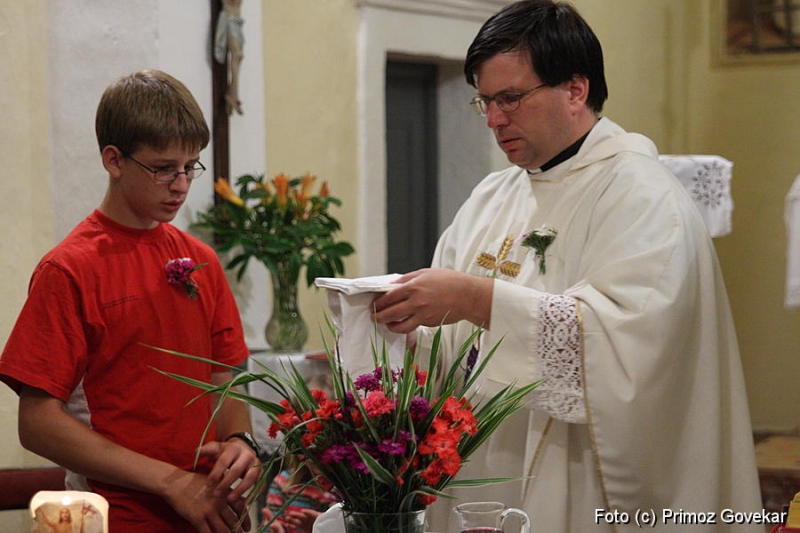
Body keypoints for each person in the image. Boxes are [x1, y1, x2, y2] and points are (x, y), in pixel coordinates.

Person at [372, 1, 764, 532]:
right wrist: (401, 328)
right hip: (481, 470)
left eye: (510, 98)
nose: (493, 119)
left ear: (576, 90)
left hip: (575, 477)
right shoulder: (492, 195)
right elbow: (450, 338)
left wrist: (476, 299)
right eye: (485, 101)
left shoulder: (643, 198)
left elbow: (627, 349)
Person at [0, 70, 260, 533]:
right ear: (114, 160)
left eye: (191, 166)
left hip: (205, 509)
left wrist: (240, 440)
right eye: (163, 168)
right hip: (111, 514)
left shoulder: (200, 260)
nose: (181, 184)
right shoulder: (69, 269)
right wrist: (171, 483)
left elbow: (224, 377)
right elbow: (37, 423)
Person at [261, 458, 338, 533]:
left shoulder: (341, 487)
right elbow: (271, 526)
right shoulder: (283, 482)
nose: (310, 457)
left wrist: (324, 526)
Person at [214, 0, 245, 115]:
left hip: (237, 21)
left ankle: (232, 93)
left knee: (239, 57)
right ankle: (234, 94)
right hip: (229, 21)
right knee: (237, 54)